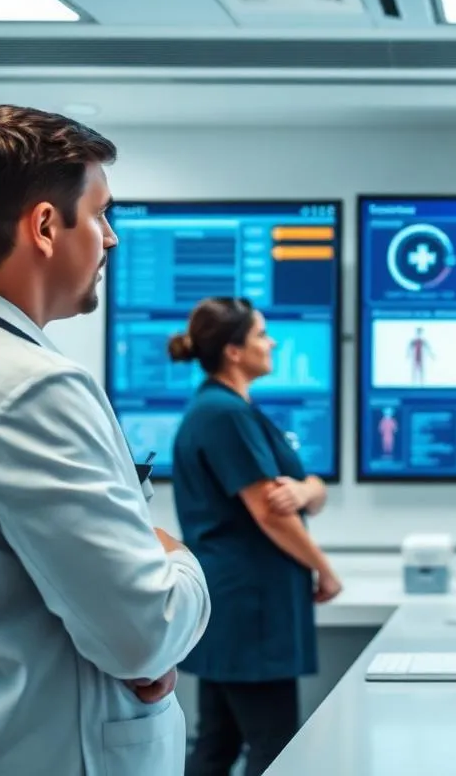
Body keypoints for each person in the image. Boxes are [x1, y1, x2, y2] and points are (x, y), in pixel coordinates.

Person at [0, 105, 211, 774]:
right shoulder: (32, 389)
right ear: (46, 226)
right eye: (102, 213)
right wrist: (182, 557)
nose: (111, 238)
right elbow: (145, 634)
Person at [167, 297, 343, 776]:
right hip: (251, 608)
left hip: (240, 604)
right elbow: (269, 512)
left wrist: (308, 488)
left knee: (217, 744)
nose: (273, 343)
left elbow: (304, 492)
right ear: (234, 352)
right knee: (274, 748)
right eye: (262, 335)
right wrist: (323, 568)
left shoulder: (230, 410)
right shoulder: (224, 415)